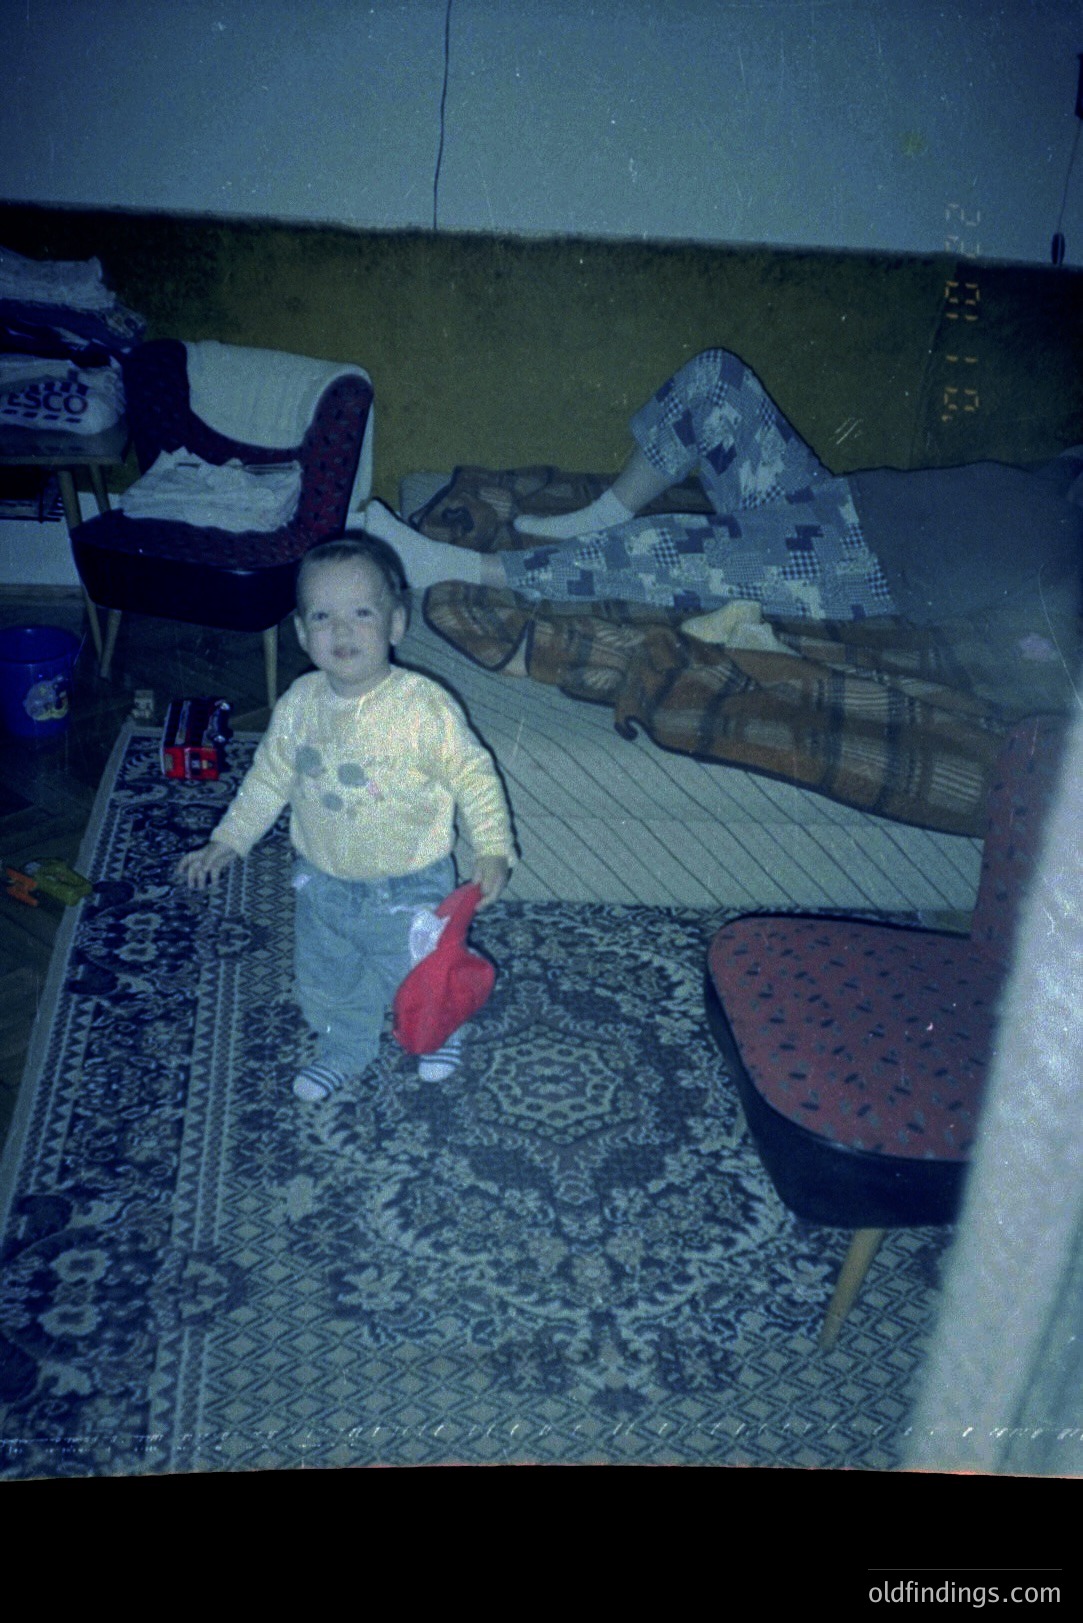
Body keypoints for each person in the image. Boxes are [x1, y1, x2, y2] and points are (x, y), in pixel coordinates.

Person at [361, 348, 1083, 646]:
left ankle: (446, 566)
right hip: (837, 502)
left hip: (865, 570)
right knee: (716, 381)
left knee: (672, 545)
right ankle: (598, 515)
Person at [176, 534, 516, 1102]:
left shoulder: (421, 708)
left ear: (396, 624)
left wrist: (492, 847)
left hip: (409, 879)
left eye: (362, 613)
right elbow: (269, 778)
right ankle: (347, 1046)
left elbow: (474, 776)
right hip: (323, 881)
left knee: (418, 969)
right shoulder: (299, 705)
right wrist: (229, 839)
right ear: (302, 633)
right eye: (323, 616)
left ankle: (440, 1031)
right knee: (327, 978)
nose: (342, 630)